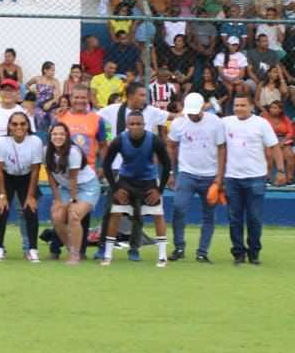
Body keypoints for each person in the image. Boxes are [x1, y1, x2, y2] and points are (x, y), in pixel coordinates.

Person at [100, 111, 173, 267]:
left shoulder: (154, 140)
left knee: (158, 214)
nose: (135, 127)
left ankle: (162, 257)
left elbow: (166, 164)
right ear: (127, 126)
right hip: (126, 181)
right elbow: (106, 164)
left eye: (138, 124)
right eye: (132, 124)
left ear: (144, 125)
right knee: (115, 213)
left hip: (149, 182)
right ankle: (107, 255)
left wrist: (159, 190)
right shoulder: (119, 140)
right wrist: (115, 188)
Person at [221, 92, 282, 265]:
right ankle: (238, 253)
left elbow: (275, 147)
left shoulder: (261, 124)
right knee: (234, 218)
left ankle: (254, 253)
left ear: (251, 107)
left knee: (254, 218)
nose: (239, 108)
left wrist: (281, 170)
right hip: (232, 178)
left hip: (256, 178)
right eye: (236, 105)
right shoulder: (226, 123)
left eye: (243, 105)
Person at [167, 92, 226, 263]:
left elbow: (222, 149)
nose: (192, 115)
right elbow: (171, 146)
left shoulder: (215, 122)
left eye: (195, 111)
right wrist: (171, 173)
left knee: (209, 215)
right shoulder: (179, 123)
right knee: (178, 208)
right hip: (187, 174)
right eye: (189, 112)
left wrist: (219, 177)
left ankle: (202, 252)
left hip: (210, 176)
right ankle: (179, 247)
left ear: (202, 107)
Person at [43, 122, 100, 265]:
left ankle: (75, 254)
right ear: (50, 136)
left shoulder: (73, 152)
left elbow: (74, 178)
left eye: (61, 134)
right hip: (65, 188)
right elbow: (51, 178)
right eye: (55, 134)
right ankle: (71, 249)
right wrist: (57, 200)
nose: (58, 137)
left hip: (86, 187)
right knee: (56, 216)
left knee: (73, 215)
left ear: (67, 136)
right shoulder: (46, 152)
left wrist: (72, 201)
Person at [0, 111, 43, 262]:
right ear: (9, 126)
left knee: (30, 210)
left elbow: (35, 171)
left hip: (27, 178)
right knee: (2, 210)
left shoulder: (36, 141)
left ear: (28, 126)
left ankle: (32, 249)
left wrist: (30, 196)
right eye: (14, 124)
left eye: (22, 124)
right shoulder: (0, 142)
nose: (18, 127)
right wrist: (2, 195)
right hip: (6, 177)